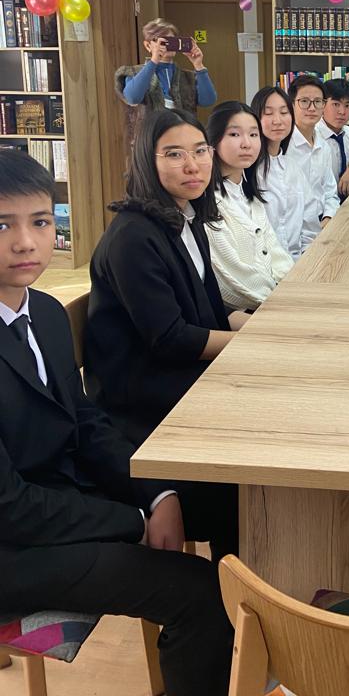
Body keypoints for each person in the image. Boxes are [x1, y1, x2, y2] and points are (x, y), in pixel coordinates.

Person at [0, 150, 234, 696]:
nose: (26, 242)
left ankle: (251, 660)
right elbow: (9, 507)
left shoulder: (45, 312)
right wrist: (132, 519)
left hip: (62, 505)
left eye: (40, 222)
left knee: (231, 498)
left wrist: (157, 493)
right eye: (2, 225)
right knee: (200, 593)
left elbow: (86, 422)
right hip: (14, 550)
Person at [85, 110, 246, 562]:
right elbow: (171, 338)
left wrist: (258, 325)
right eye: (174, 155)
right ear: (147, 161)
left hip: (180, 380)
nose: (192, 165)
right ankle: (235, 580)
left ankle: (248, 571)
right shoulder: (133, 237)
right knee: (251, 459)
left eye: (199, 151)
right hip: (145, 403)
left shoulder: (185, 218)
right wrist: (253, 344)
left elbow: (210, 308)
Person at [205, 101, 294, 310]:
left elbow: (276, 254)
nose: (247, 144)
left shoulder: (251, 197)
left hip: (277, 300)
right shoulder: (209, 203)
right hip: (251, 312)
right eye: (234, 134)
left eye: (254, 134)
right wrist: (280, 302)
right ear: (214, 141)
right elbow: (232, 280)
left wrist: (294, 288)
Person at [115, 19, 217, 142]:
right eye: (163, 41)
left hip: (184, 138)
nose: (168, 45)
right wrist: (154, 61)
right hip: (150, 140)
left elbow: (208, 100)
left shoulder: (187, 77)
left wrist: (198, 65)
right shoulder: (134, 72)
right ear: (148, 45)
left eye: (172, 40)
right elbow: (133, 97)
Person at [251, 85, 314, 260]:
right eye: (268, 113)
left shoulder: (292, 167)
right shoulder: (249, 171)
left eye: (284, 112)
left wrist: (306, 260)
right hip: (265, 267)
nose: (277, 121)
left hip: (299, 263)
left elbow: (309, 223)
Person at [286, 75, 339, 239]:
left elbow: (330, 192)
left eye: (317, 102)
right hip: (292, 231)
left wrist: (328, 218)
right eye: (304, 101)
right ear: (291, 104)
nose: (311, 108)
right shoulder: (283, 147)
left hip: (322, 225)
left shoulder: (323, 146)